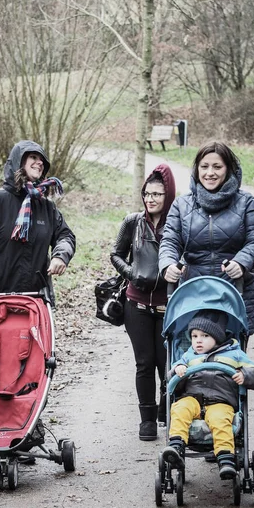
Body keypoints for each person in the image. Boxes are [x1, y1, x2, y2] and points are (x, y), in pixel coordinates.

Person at [159, 141, 254, 335]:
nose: (210, 173)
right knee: (190, 353)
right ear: (196, 169)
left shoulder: (246, 202)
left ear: (229, 169)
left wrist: (241, 262)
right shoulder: (182, 205)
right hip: (192, 290)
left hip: (234, 288)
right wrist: (168, 264)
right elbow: (170, 241)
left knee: (230, 355)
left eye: (217, 166)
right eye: (204, 166)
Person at [0, 140, 75, 298]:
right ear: (18, 161)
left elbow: (65, 236)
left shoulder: (47, 207)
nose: (39, 162)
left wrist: (60, 255)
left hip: (36, 298)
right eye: (33, 157)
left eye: (42, 160)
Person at [110, 164, 176, 441]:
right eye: (147, 193)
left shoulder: (178, 222)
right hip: (135, 305)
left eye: (157, 194)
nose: (150, 199)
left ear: (168, 195)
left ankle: (167, 411)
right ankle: (147, 419)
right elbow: (116, 255)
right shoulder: (132, 221)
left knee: (167, 365)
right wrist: (132, 274)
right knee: (144, 363)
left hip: (168, 305)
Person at [164, 309, 254, 479]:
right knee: (180, 408)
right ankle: (176, 446)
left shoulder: (235, 354)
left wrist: (245, 375)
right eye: (194, 336)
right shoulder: (189, 356)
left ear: (217, 337)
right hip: (192, 398)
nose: (198, 341)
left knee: (220, 420)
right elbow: (171, 381)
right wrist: (177, 371)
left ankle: (225, 458)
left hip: (220, 401)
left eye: (204, 336)